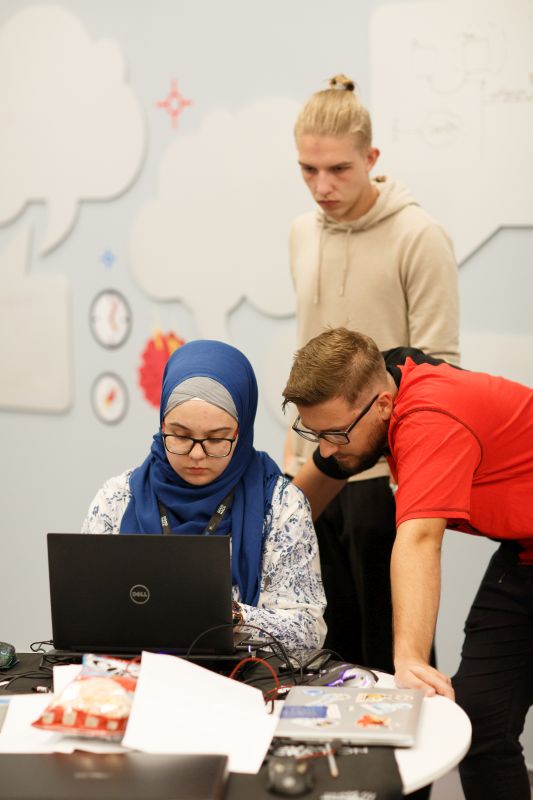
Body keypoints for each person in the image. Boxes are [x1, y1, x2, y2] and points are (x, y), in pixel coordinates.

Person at [282, 326, 533, 800]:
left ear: (381, 405)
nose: (327, 447)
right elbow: (314, 485)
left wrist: (410, 658)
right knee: (480, 725)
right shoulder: (388, 374)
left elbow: (419, 540)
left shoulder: (429, 417)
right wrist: (266, 548)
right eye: (316, 433)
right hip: (523, 553)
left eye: (335, 434)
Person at [284, 73, 459, 673]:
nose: (322, 186)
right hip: (315, 466)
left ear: (372, 158)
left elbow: (440, 368)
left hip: (388, 473)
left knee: (395, 654)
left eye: (338, 169)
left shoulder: (419, 236)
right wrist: (295, 461)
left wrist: (410, 474)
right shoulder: (301, 233)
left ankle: (414, 743)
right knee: (327, 651)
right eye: (308, 170)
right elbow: (307, 353)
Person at [82, 339, 326, 652]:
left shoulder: (280, 506)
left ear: (241, 432)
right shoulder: (117, 498)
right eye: (181, 436)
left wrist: (230, 615)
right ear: (162, 425)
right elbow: (85, 609)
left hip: (242, 676)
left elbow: (308, 632)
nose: (197, 455)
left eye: (216, 439)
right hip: (134, 673)